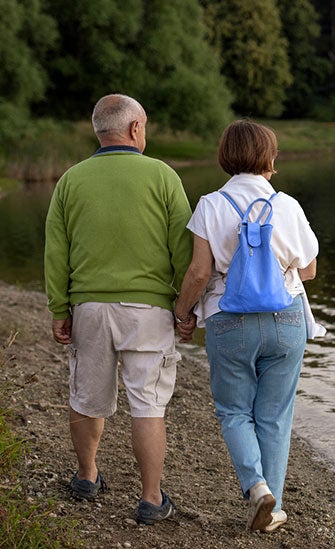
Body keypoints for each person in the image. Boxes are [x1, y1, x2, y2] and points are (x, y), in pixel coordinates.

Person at [44, 93, 193, 525]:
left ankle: (87, 477)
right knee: (147, 404)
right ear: (135, 128)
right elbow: (183, 251)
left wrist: (60, 307)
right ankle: (150, 499)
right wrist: (186, 310)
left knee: (87, 398)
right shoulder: (163, 177)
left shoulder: (70, 180)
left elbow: (57, 252)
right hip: (148, 311)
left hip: (89, 307)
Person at [173, 119, 324, 533]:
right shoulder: (288, 205)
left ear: (225, 156)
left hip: (229, 321)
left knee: (235, 411)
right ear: (269, 158)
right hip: (286, 318)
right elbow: (308, 269)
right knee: (275, 415)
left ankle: (257, 488)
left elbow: (199, 273)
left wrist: (182, 312)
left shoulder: (210, 204)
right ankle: (272, 510)